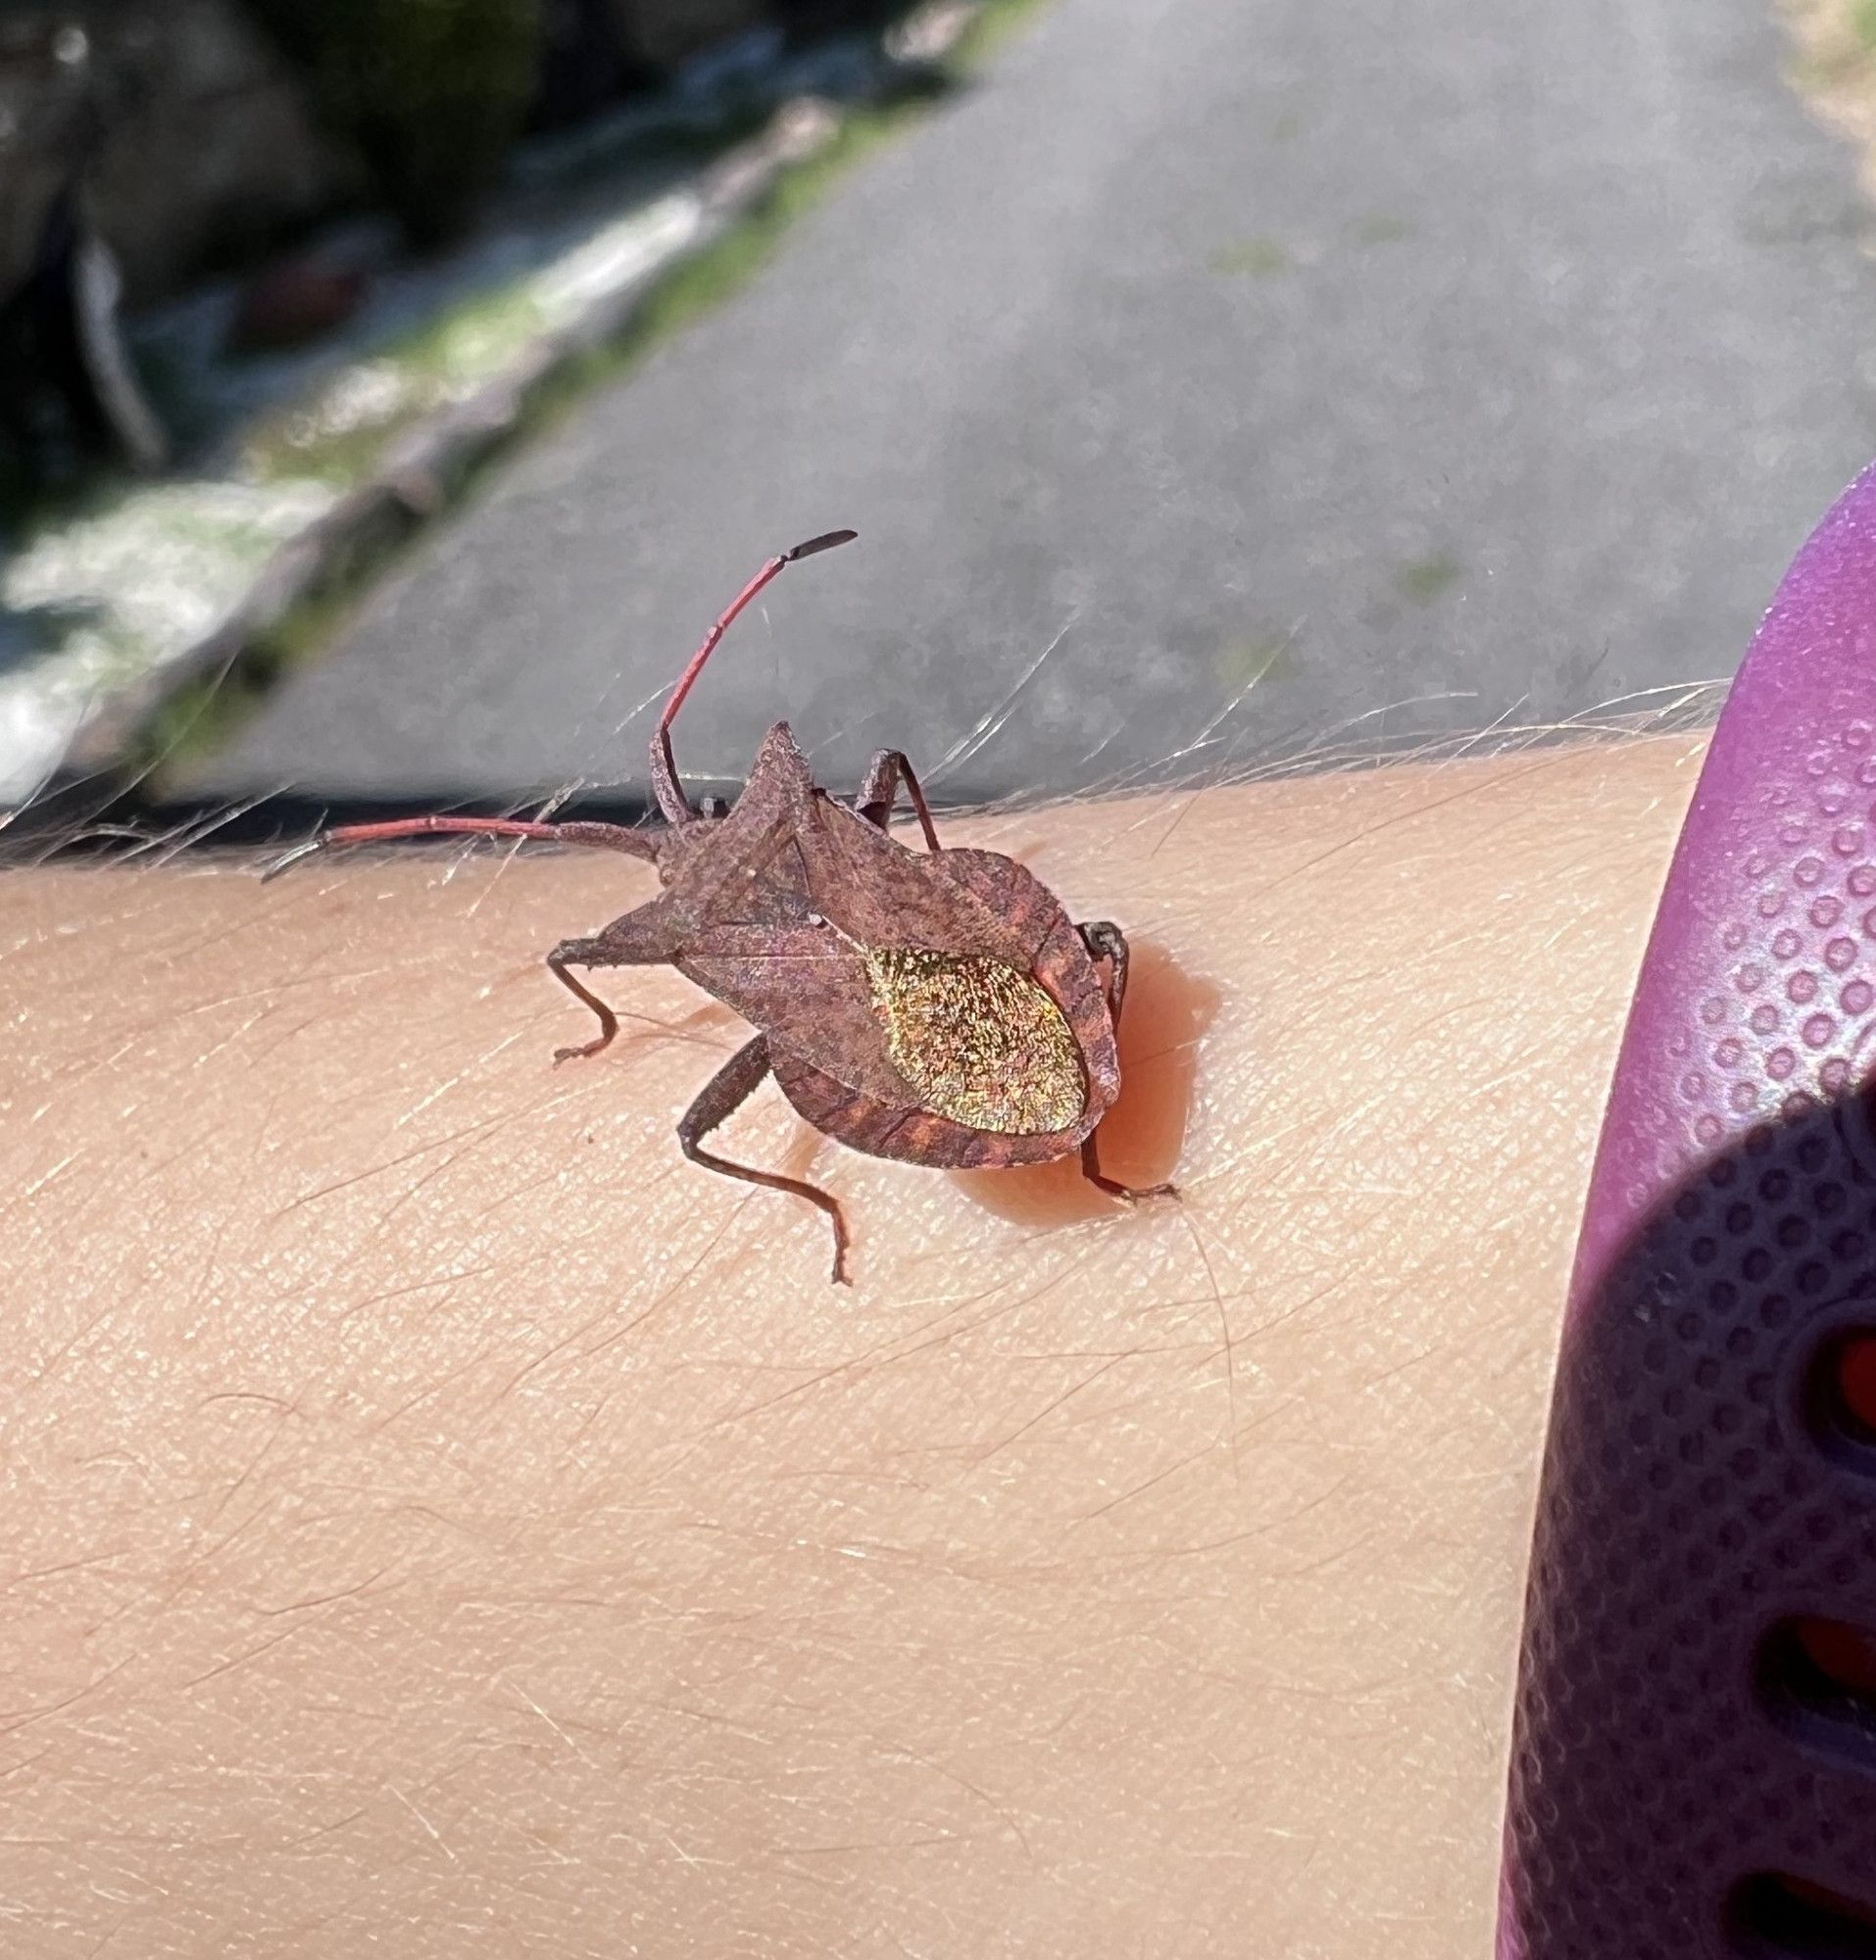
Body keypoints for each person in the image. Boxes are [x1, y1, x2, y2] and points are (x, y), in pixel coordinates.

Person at [2, 728, 1698, 1955]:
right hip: (999, 966)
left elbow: (629, 942)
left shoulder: (696, 922)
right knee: (966, 991)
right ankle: (1070, 1134)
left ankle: (962, 1162)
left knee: (693, 1129)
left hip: (954, 1015)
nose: (679, 832)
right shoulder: (781, 851)